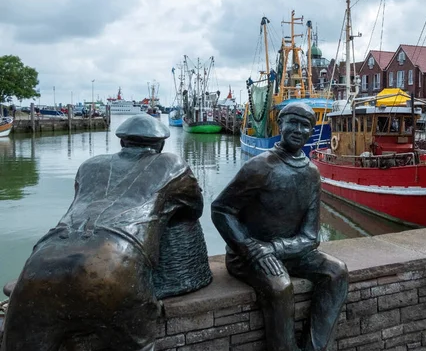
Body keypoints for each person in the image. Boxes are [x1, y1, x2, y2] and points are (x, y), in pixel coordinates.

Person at [2, 114, 210, 351]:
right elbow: (194, 210)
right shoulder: (172, 165)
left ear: (122, 142)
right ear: (160, 145)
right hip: (114, 262)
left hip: (41, 263)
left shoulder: (90, 165)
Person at [212, 102, 348, 351]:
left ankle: (316, 348)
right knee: (280, 287)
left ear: (311, 131)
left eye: (305, 125)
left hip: (286, 251)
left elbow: (310, 236)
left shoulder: (312, 174)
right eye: (293, 122)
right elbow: (221, 209)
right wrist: (249, 247)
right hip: (250, 256)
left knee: (336, 272)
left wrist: (275, 248)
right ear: (280, 124)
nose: (298, 129)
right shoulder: (260, 166)